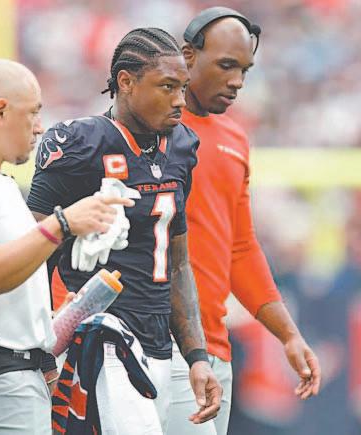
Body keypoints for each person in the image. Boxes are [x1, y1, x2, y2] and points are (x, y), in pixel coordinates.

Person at [27, 28, 221, 434]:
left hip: (163, 342)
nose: (180, 100)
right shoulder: (77, 143)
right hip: (104, 339)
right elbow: (32, 258)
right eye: (167, 86)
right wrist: (40, 352)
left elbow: (177, 264)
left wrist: (197, 355)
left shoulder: (181, 145)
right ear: (126, 82)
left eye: (183, 87)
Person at [0, 59, 133, 434]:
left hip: (11, 380)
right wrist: (62, 224)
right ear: (0, 111)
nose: (40, 126)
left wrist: (46, 321)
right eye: (33, 113)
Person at [167, 8, 322, 435]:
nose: (237, 81)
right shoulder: (146, 131)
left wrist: (288, 334)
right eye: (226, 65)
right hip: (157, 347)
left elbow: (239, 247)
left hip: (214, 348)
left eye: (244, 69)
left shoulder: (234, 138)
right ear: (188, 56)